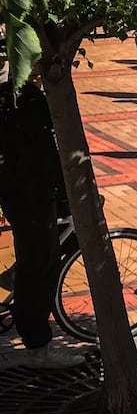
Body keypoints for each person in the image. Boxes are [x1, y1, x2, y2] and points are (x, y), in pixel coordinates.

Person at [0, 79, 84, 368]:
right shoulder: (24, 99)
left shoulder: (21, 96)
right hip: (30, 192)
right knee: (37, 268)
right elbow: (45, 151)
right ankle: (38, 349)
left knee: (44, 254)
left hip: (27, 191)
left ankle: (16, 278)